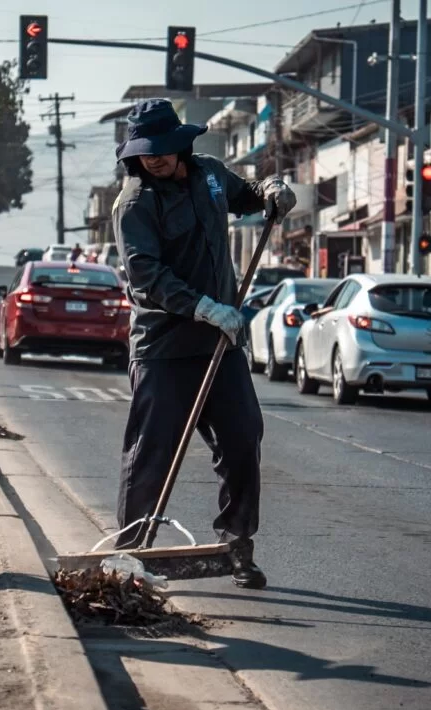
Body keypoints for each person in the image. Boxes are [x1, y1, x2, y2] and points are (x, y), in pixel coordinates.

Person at [111, 99, 296, 589]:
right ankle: (130, 554)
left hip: (221, 342)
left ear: (181, 144)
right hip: (165, 347)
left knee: (242, 438)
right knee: (151, 453)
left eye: (161, 149)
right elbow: (145, 276)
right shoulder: (134, 203)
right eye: (144, 152)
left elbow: (247, 195)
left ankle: (236, 544)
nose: (153, 159)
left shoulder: (210, 174)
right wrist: (203, 306)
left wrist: (271, 191)